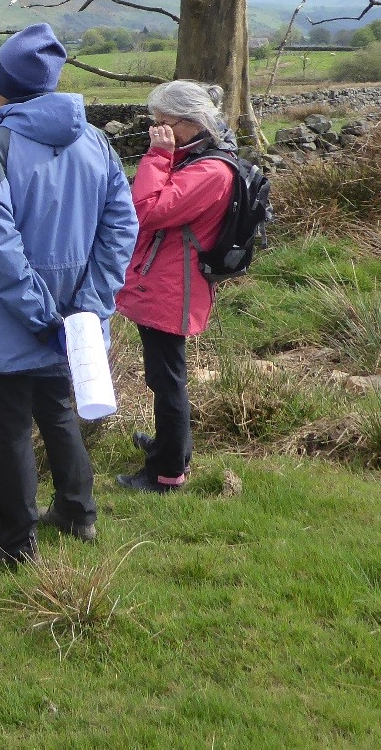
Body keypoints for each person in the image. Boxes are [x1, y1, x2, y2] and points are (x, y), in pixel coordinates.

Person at [0, 23, 137, 565]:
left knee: (11, 429)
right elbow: (121, 224)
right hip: (78, 319)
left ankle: (16, 543)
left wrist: (42, 316)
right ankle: (77, 512)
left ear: (5, 87)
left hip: (15, 318)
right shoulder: (96, 141)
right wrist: (89, 304)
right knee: (59, 410)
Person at [115, 81, 236, 493]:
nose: (157, 130)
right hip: (167, 281)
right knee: (164, 377)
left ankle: (167, 473)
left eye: (164, 124)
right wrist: (167, 153)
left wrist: (158, 154)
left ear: (190, 122)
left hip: (172, 287)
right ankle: (170, 446)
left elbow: (145, 211)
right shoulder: (197, 158)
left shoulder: (210, 171)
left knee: (168, 381)